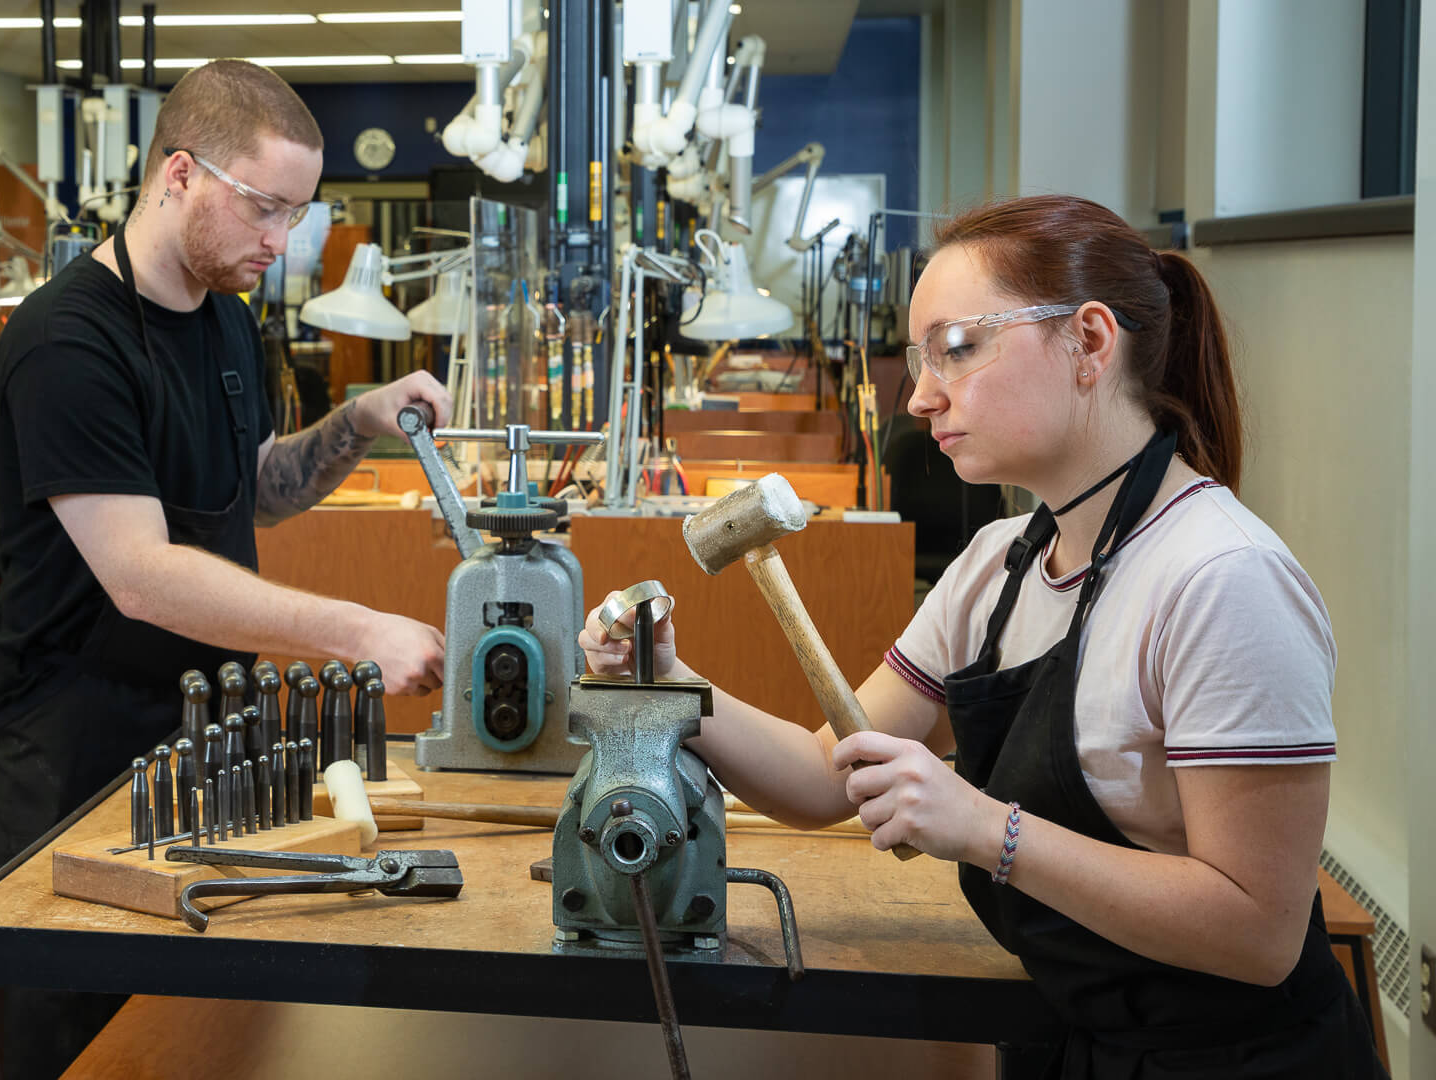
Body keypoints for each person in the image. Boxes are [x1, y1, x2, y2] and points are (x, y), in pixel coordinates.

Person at [580, 195, 1386, 1078]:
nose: (922, 396)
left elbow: (1258, 930)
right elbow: (826, 775)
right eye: (923, 358)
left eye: (957, 348)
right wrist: (670, 679)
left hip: (1237, 1061)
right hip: (1076, 1043)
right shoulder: (999, 563)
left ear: (1088, 342)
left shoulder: (1221, 579)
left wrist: (985, 828)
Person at [0, 60, 448, 1077]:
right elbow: (142, 573)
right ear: (179, 173)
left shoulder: (229, 318)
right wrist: (358, 630)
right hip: (72, 742)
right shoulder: (68, 340)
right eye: (266, 210)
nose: (280, 246)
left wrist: (359, 422)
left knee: (193, 1030)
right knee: (77, 1039)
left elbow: (254, 488)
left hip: (194, 734)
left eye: (296, 218)